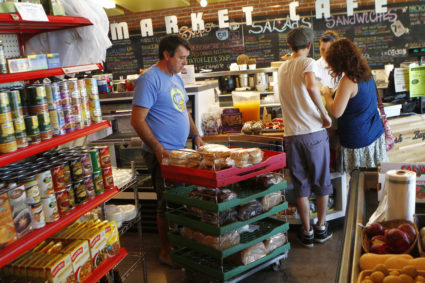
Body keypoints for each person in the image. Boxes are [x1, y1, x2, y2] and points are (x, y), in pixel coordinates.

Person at [130, 35, 204, 266]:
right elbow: (137, 120)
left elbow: (185, 110)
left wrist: (196, 134)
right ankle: (166, 251)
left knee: (180, 200)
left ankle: (181, 244)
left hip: (179, 153)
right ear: (166, 54)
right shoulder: (149, 79)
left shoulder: (175, 78)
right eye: (181, 57)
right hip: (160, 154)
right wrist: (160, 150)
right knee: (167, 202)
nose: (185, 63)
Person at [278, 27, 333, 248]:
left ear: (290, 47)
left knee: (300, 184)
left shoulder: (282, 68)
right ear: (309, 46)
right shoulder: (308, 63)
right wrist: (324, 114)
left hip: (291, 135)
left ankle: (307, 232)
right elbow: (311, 86)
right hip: (313, 132)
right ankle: (321, 227)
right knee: (321, 181)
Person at [323, 38, 388, 173]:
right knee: (374, 182)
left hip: (358, 141)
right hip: (374, 135)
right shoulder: (366, 74)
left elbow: (336, 111)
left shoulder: (348, 81)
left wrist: (326, 95)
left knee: (358, 185)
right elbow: (357, 100)